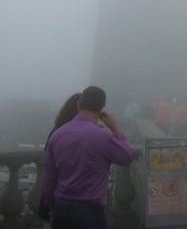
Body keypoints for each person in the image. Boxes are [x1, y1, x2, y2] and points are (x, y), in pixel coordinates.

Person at [41, 86, 133, 229]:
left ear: (79, 104)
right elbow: (126, 157)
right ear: (101, 108)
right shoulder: (103, 137)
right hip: (90, 212)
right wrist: (115, 129)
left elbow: (48, 179)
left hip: (61, 209)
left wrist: (53, 207)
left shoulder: (57, 135)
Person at [38, 93, 81, 223]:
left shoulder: (57, 130)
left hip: (55, 199)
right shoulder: (84, 134)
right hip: (71, 202)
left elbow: (49, 169)